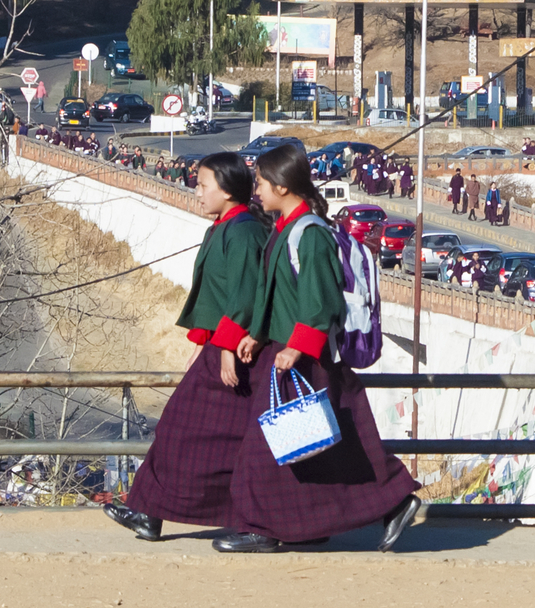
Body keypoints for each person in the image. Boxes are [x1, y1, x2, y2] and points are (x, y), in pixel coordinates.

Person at [220, 142, 421, 554]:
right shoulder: (285, 230)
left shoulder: (309, 234)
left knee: (266, 447)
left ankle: (262, 527)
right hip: (286, 350)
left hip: (302, 357)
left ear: (281, 185)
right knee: (332, 446)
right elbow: (273, 295)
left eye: (260, 183)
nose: (255, 190)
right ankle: (396, 500)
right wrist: (256, 334)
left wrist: (296, 347)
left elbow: (320, 300)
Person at [107, 154, 272, 541]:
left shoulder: (244, 232)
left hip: (239, 355)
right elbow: (216, 295)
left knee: (192, 433)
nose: (196, 192)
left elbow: (245, 296)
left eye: (203, 185)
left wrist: (225, 346)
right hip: (218, 348)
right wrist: (200, 341)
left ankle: (155, 511)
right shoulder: (223, 227)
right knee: (183, 432)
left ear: (228, 190)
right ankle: (149, 511)